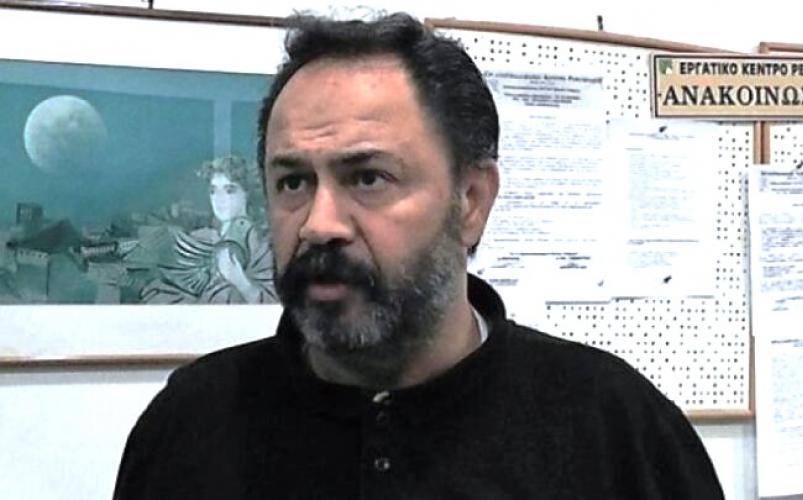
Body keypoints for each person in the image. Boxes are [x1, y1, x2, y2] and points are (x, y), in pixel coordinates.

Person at [114, 13, 724, 499]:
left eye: (368, 177)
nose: (320, 225)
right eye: (293, 182)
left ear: (471, 200)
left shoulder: (615, 429)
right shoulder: (191, 424)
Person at [141, 155, 276, 304]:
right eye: (213, 191)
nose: (219, 199)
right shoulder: (201, 238)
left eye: (229, 190)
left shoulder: (265, 246)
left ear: (247, 193)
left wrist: (242, 283)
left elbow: (277, 305)